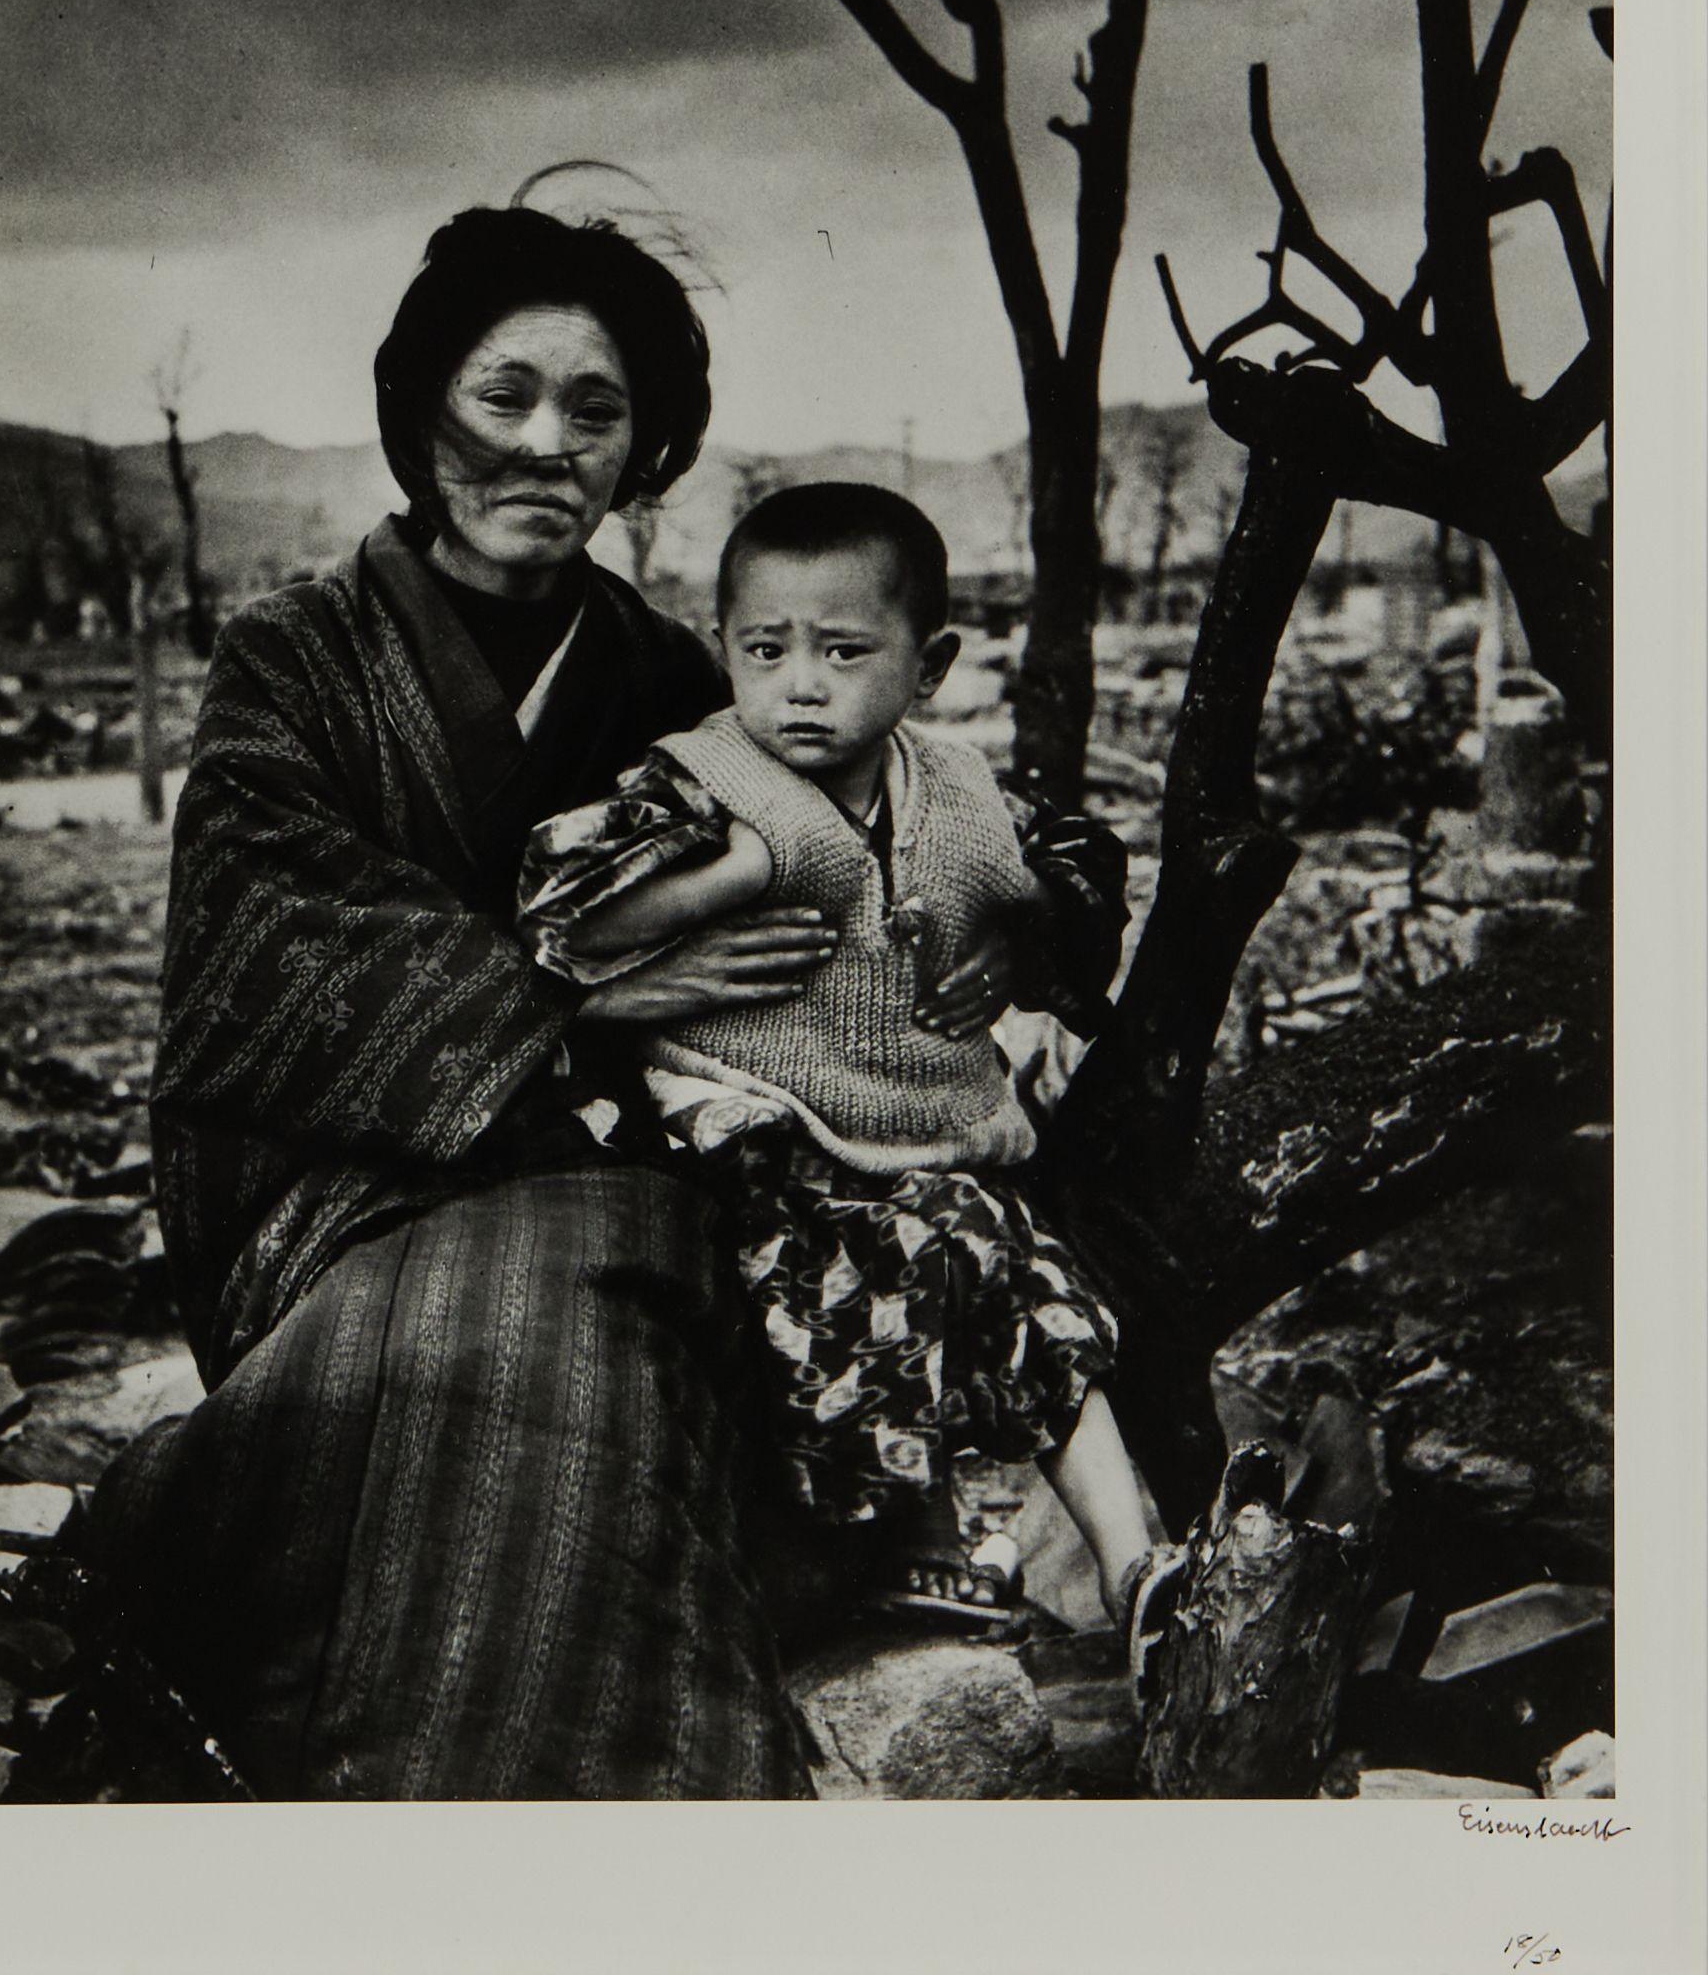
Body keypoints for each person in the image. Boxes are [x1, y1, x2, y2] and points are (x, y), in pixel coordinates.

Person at [81, 201, 844, 1799]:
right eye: (505, 395)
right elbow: (270, 945)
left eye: (597, 411)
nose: (547, 445)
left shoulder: (670, 683)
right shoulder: (293, 659)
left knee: (584, 1296)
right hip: (330, 1185)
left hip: (605, 1171)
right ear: (422, 409)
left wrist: (1020, 920)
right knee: (524, 1318)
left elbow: (847, 839)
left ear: (640, 450)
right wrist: (592, 995)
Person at [518, 483, 1185, 1679]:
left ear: (929, 667)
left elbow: (1071, 875)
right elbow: (561, 921)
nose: (800, 687)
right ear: (722, 648)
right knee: (900, 1254)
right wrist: (734, 874)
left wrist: (1018, 931)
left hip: (909, 1120)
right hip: (748, 1127)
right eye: (765, 651)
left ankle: (1139, 1575)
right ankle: (907, 1540)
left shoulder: (958, 787)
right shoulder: (699, 780)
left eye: (842, 652)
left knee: (1034, 1286)